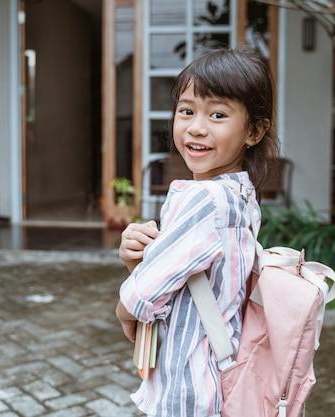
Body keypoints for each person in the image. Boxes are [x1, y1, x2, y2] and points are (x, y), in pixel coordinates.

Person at [115, 48, 279, 416]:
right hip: (216, 376)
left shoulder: (207, 200)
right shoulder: (239, 193)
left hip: (188, 385)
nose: (196, 127)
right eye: (186, 111)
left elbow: (142, 296)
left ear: (254, 130)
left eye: (218, 114)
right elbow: (182, 280)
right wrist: (137, 258)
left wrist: (124, 310)